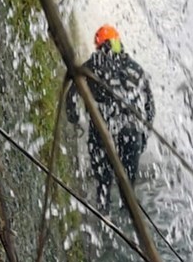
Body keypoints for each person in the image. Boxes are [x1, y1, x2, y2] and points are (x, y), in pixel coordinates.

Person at [66, 24, 155, 212]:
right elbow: (150, 107)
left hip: (103, 131)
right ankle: (129, 225)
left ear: (99, 46)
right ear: (118, 43)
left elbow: (71, 95)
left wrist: (74, 118)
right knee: (128, 192)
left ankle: (104, 214)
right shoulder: (136, 69)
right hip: (132, 133)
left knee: (103, 187)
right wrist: (144, 137)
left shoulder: (92, 66)